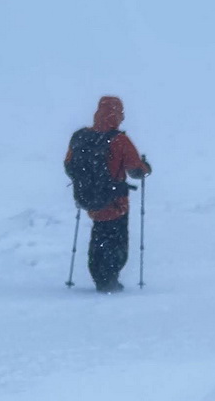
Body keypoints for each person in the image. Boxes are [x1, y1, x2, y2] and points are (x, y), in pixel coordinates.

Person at [63, 95, 151, 292]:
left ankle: (99, 276)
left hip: (90, 200)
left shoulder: (80, 136)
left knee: (99, 238)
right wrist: (147, 168)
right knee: (115, 241)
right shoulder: (119, 140)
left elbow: (69, 166)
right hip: (115, 202)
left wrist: (89, 182)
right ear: (118, 114)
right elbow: (135, 169)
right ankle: (108, 281)